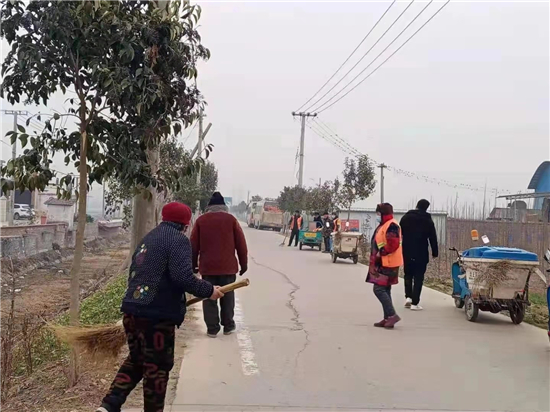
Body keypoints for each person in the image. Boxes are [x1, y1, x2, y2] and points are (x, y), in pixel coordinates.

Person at [97, 202, 224, 412]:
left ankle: (108, 406)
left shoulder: (149, 238)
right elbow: (183, 277)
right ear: (186, 224)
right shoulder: (179, 240)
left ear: (164, 218)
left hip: (132, 310)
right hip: (156, 318)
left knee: (137, 361)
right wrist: (209, 290)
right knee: (157, 369)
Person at [191, 192, 248, 338]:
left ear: (209, 207)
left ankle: (212, 328)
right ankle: (228, 326)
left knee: (208, 296)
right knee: (227, 296)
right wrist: (244, 264)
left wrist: (193, 265)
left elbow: (193, 245)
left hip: (208, 268)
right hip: (228, 268)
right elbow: (241, 244)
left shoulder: (201, 221)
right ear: (224, 206)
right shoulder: (231, 220)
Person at [366, 203, 403, 329]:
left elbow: (393, 244)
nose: (377, 215)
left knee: (379, 289)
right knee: (385, 289)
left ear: (383, 214)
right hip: (383, 262)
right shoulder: (384, 224)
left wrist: (380, 253)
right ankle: (387, 318)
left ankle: (392, 315)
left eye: (378, 213)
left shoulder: (391, 225)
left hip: (387, 262)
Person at [400, 199, 439, 311]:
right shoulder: (427, 220)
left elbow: (399, 231)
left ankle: (408, 297)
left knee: (408, 274)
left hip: (407, 250)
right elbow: (433, 237)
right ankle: (415, 303)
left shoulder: (406, 217)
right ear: (426, 208)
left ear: (417, 205)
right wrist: (435, 252)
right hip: (421, 252)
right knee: (418, 277)